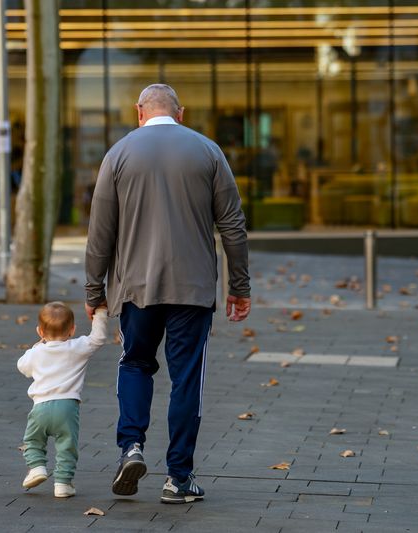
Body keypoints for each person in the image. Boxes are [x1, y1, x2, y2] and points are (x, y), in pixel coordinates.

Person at [85, 84, 251, 504]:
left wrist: (94, 291)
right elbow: (233, 225)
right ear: (181, 112)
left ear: (138, 112)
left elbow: (99, 231)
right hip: (192, 289)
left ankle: (132, 447)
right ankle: (179, 478)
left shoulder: (118, 154)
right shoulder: (209, 151)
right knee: (186, 379)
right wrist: (239, 287)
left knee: (136, 363)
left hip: (135, 288)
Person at [17, 302, 108, 498]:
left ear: (40, 331)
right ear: (72, 329)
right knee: (67, 445)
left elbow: (22, 367)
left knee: (33, 440)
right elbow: (98, 338)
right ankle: (63, 483)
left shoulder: (36, 353)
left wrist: (37, 345)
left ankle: (37, 468)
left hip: (40, 407)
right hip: (67, 407)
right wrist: (100, 313)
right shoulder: (78, 347)